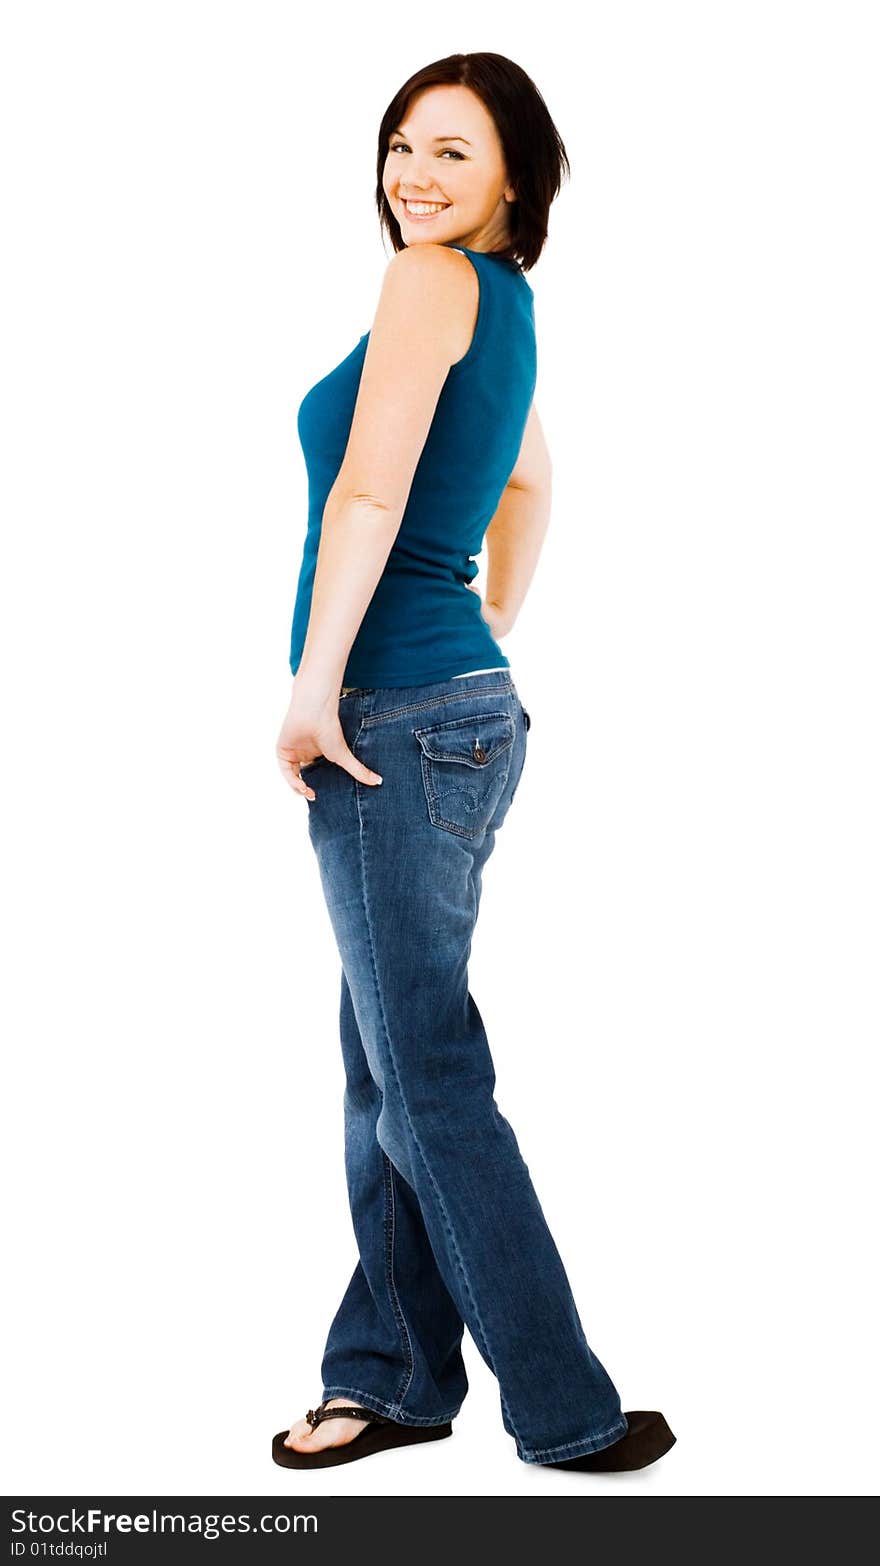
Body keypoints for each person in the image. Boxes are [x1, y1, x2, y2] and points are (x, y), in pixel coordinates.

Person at [272, 52, 675, 1475]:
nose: (414, 176)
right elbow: (530, 480)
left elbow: (374, 489)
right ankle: (388, 1374)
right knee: (388, 1063)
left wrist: (318, 686)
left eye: (452, 151)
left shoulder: (429, 284)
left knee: (422, 1071)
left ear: (517, 174)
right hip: (460, 709)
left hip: (389, 717)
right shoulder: (501, 306)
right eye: (399, 147)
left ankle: (566, 1407)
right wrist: (486, 619)